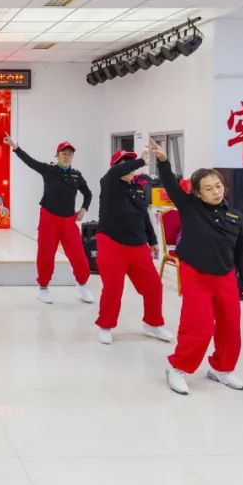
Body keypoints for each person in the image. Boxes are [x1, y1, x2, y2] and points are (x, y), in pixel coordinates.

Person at [151, 140, 243, 395]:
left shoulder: (235, 217)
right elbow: (171, 185)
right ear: (198, 193)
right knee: (200, 326)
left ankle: (222, 368)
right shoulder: (190, 207)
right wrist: (163, 161)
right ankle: (177, 368)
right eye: (209, 188)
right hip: (196, 274)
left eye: (218, 186)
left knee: (230, 327)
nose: (216, 191)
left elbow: (242, 251)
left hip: (225, 277)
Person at [95, 148, 172, 346]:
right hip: (111, 242)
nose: (129, 167)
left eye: (130, 163)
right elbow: (115, 172)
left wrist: (153, 241)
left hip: (137, 244)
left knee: (154, 286)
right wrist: (140, 161)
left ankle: (152, 323)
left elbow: (143, 216)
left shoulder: (137, 188)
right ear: (115, 167)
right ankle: (105, 325)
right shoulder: (109, 183)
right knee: (114, 288)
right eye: (124, 163)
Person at [3, 136, 94, 305]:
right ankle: (43, 287)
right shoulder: (48, 170)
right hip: (49, 219)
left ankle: (82, 285)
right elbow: (30, 161)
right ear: (57, 155)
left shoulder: (76, 175)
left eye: (70, 153)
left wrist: (84, 209)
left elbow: (88, 194)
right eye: (63, 153)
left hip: (69, 221)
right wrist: (15, 147)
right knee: (45, 256)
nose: (67, 155)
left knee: (79, 256)